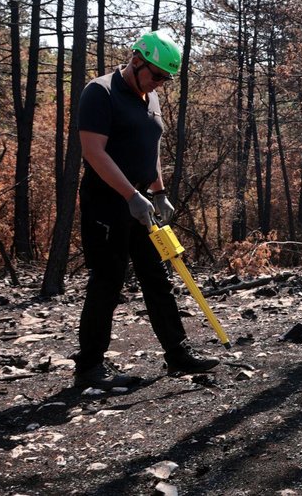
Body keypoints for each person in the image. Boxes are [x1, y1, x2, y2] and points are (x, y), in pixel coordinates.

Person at [73, 30, 219, 390]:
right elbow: (94, 152)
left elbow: (147, 150)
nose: (160, 84)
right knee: (107, 280)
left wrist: (158, 191)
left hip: (141, 202)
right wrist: (128, 195)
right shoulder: (100, 92)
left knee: (156, 276)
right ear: (136, 60)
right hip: (106, 202)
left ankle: (178, 353)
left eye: (165, 79)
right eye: (156, 75)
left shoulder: (148, 98)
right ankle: (89, 366)